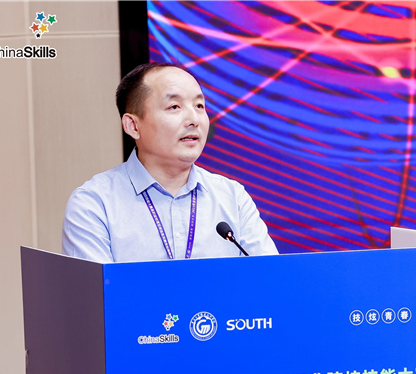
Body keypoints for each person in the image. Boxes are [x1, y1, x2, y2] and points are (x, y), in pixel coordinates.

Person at [62, 62, 278, 262]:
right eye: (174, 107)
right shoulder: (94, 203)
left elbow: (273, 282)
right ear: (133, 126)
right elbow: (96, 290)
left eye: (199, 106)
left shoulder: (232, 198)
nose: (194, 119)